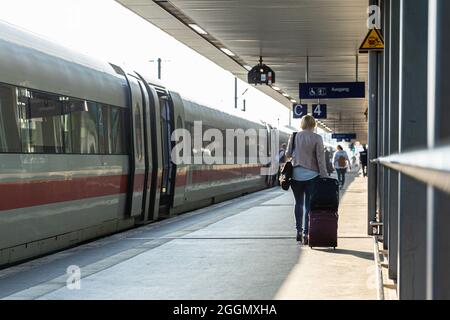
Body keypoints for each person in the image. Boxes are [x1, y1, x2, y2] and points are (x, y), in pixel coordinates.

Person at [286, 115, 328, 245]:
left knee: (298, 203)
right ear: (314, 124)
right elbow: (320, 159)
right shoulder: (317, 138)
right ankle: (306, 233)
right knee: (309, 205)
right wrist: (324, 175)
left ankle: (298, 231)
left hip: (295, 175)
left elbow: (288, 154)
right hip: (312, 175)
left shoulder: (294, 136)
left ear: (302, 124)